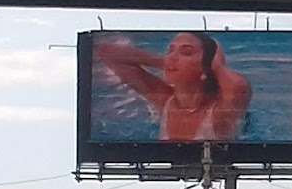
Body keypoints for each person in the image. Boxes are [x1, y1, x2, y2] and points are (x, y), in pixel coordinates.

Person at [95, 31, 252, 141]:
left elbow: (239, 87)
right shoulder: (164, 100)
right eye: (170, 51)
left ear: (206, 68)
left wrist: (216, 67)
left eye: (186, 52)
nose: (172, 56)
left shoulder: (219, 113)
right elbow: (105, 52)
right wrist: (164, 63)